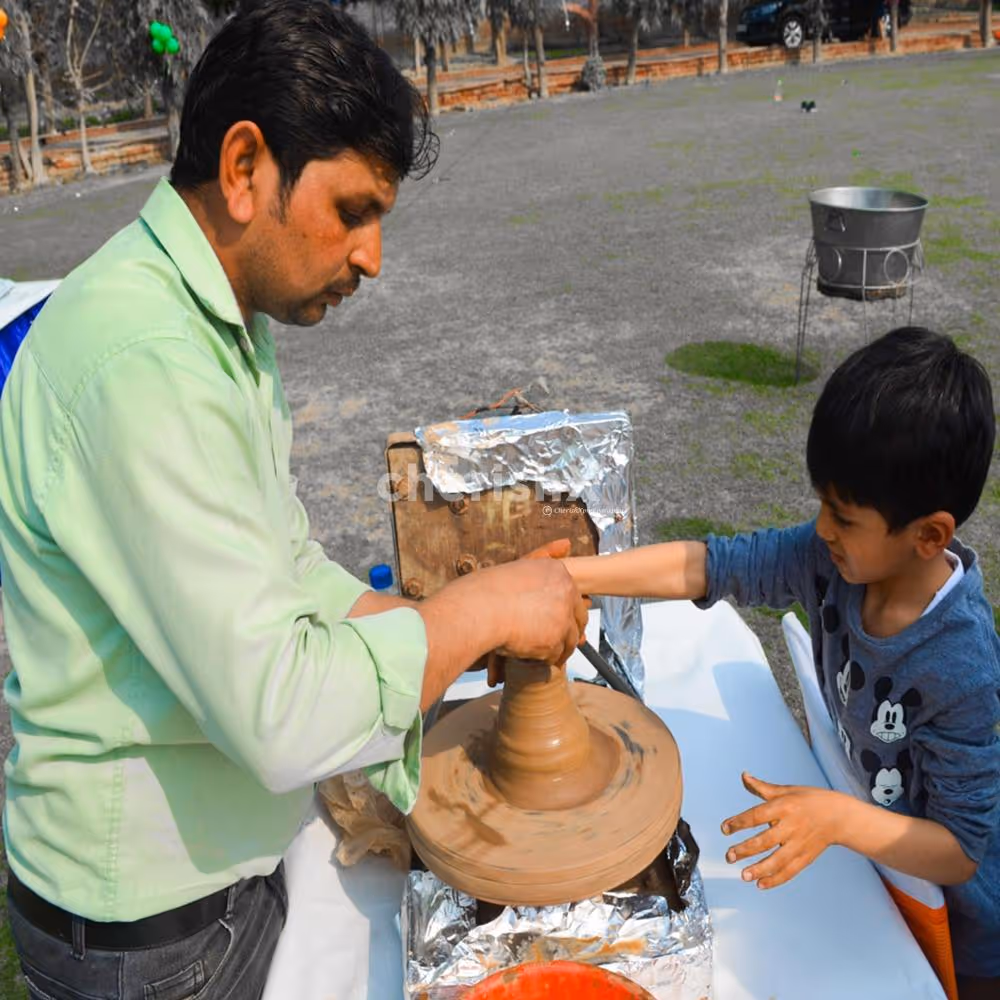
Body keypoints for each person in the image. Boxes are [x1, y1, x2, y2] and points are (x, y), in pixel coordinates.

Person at [0, 3, 587, 998]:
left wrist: (406, 625)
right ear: (243, 170)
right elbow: (278, 715)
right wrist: (471, 613)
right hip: (151, 935)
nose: (371, 257)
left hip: (210, 875)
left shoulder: (215, 316)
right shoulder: (145, 364)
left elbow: (278, 560)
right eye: (353, 211)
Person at [565, 328, 1000, 999]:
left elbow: (961, 849)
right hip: (872, 870)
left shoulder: (960, 661)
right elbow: (710, 565)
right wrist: (572, 578)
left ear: (930, 535)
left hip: (963, 929)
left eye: (842, 515)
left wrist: (836, 820)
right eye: (821, 505)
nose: (822, 528)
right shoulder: (830, 562)